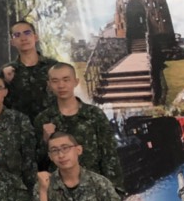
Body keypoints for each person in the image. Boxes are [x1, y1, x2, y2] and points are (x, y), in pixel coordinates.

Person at [36, 63, 124, 192]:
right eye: (55, 81)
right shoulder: (43, 119)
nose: (61, 85)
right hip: (59, 193)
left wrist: (115, 191)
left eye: (66, 80)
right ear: (49, 85)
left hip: (93, 190)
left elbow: (109, 155)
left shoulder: (94, 115)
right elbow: (38, 163)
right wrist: (45, 141)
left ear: (76, 82)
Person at [3, 21, 58, 120]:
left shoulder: (53, 66)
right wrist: (6, 81)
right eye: (17, 35)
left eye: (27, 33)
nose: (23, 38)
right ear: (12, 42)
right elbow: (3, 103)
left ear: (35, 37)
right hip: (20, 125)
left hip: (51, 123)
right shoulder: (7, 71)